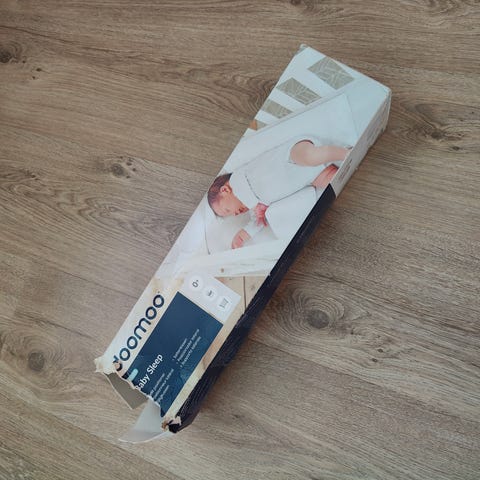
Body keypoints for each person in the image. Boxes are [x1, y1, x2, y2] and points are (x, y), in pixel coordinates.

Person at [208, 137, 350, 248]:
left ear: (225, 190)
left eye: (227, 210)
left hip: (290, 157)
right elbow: (258, 221)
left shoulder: (237, 179)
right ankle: (351, 164)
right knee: (335, 182)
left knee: (310, 156)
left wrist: (257, 207)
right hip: (307, 177)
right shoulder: (254, 207)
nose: (235, 214)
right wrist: (243, 235)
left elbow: (248, 197)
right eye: (231, 215)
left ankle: (346, 153)